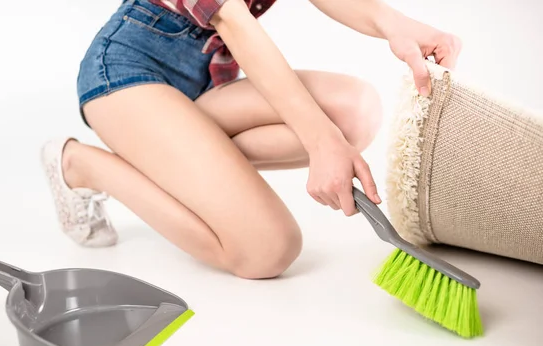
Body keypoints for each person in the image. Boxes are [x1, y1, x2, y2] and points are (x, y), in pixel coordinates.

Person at [41, 0, 461, 279]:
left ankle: (167, 154)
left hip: (203, 86)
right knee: (267, 248)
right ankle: (81, 164)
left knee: (355, 110)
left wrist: (395, 25)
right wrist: (319, 142)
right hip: (126, 75)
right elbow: (233, 20)